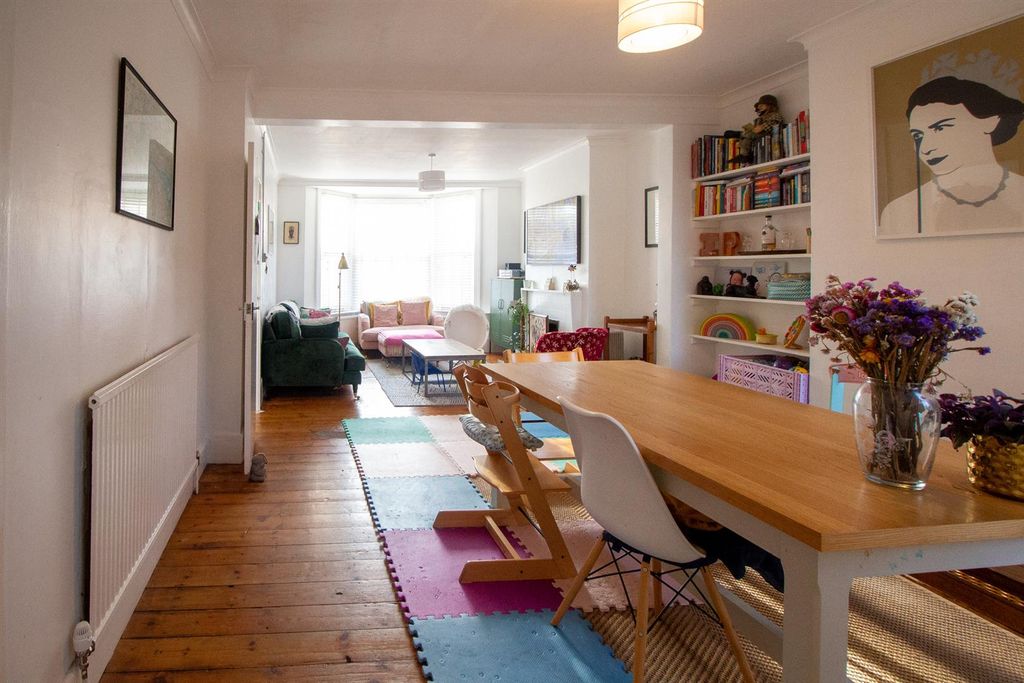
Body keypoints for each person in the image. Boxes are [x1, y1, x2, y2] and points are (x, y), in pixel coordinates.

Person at [879, 75, 1024, 236]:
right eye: (918, 136)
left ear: (991, 121)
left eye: (940, 128)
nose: (926, 148)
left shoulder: (1019, 191)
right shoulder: (899, 210)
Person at [729, 94, 785, 165]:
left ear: (770, 106)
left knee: (748, 135)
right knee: (745, 138)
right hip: (758, 137)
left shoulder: (775, 115)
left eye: (761, 106)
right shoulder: (759, 120)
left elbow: (772, 125)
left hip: (767, 136)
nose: (759, 108)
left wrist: (761, 127)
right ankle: (745, 154)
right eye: (759, 106)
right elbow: (756, 129)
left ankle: (740, 137)